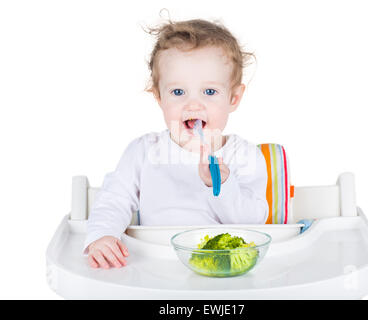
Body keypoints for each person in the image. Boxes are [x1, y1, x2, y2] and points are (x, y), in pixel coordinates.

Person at [84, 18, 269, 269]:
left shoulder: (245, 156)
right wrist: (102, 236)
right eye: (178, 92)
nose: (193, 105)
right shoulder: (144, 152)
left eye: (210, 92)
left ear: (234, 98)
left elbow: (255, 222)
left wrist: (222, 185)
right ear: (159, 97)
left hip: (221, 272)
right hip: (152, 266)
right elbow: (113, 200)